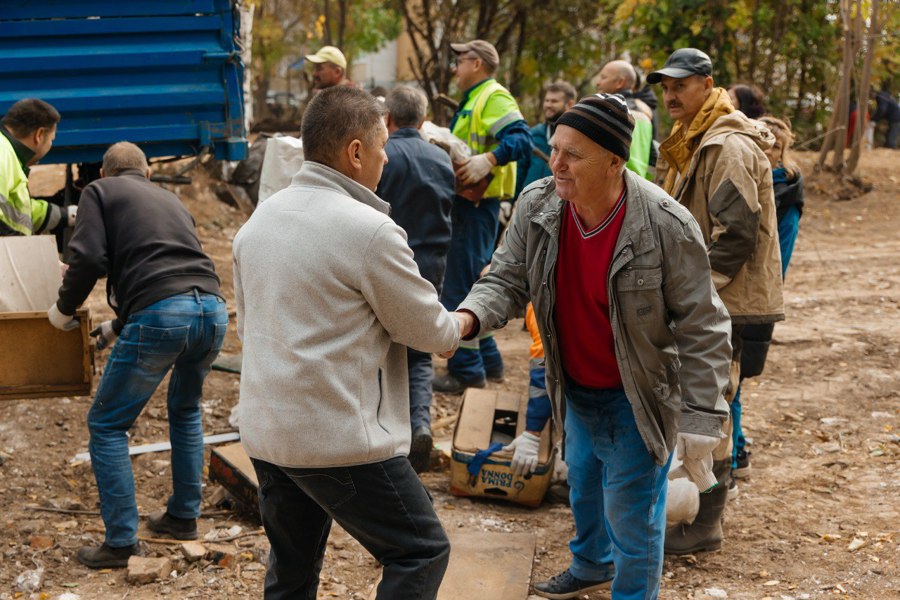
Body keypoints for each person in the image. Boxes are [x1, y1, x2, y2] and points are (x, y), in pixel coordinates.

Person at [455, 93, 732, 600]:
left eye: (572, 154)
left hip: (638, 394)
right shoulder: (539, 206)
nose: (555, 163)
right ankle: (589, 565)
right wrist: (467, 319)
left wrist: (701, 417)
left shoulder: (666, 225)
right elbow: (507, 278)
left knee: (631, 511)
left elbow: (705, 325)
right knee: (582, 486)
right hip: (574, 384)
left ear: (614, 161)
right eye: (555, 148)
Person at [233, 86, 464, 599]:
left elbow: (250, 329)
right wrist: (467, 322)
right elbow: (432, 332)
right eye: (381, 148)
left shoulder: (257, 223)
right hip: (338, 437)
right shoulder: (369, 230)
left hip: (269, 432)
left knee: (291, 572)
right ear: (355, 152)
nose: (385, 160)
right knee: (420, 551)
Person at [47, 142, 227, 568]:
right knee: (185, 410)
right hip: (213, 311)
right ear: (147, 174)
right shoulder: (169, 198)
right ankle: (184, 516)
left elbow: (89, 255)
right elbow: (165, 269)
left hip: (163, 313)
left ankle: (122, 542)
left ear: (105, 175)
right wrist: (112, 328)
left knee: (107, 424)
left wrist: (61, 311)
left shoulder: (100, 192)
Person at [649, 48, 785, 554]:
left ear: (707, 84)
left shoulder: (725, 146)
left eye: (680, 85)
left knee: (712, 410)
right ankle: (700, 517)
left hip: (727, 303)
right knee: (708, 405)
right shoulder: (697, 140)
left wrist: (689, 296)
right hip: (715, 300)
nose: (670, 96)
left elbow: (734, 237)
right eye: (665, 88)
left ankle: (705, 524)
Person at [433, 39, 532, 394]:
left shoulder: (493, 96)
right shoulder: (475, 99)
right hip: (473, 206)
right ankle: (490, 363)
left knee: (458, 290)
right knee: (471, 285)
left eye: (459, 61)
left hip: (478, 207)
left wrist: (488, 160)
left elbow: (520, 139)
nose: (455, 68)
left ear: (476, 63)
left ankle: (467, 372)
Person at [377, 85, 456, 473]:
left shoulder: (382, 157)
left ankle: (390, 432)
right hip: (432, 264)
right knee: (420, 350)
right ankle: (420, 424)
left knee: (383, 345)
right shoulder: (441, 159)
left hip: (391, 263)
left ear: (387, 119)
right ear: (424, 121)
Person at [730, 115, 804, 484]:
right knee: (727, 378)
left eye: (774, 145)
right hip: (730, 291)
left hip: (756, 296)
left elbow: (780, 255)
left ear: (783, 150)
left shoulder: (787, 192)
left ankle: (734, 452)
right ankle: (736, 445)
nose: (766, 150)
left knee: (735, 376)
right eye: (761, 142)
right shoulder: (737, 177)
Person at [1, 98, 75, 236]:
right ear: (39, 135)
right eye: (51, 140)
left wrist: (66, 215)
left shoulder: (8, 153)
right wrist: (18, 246)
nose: (50, 145)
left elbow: (16, 212)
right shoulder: (2, 153)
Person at [595, 60, 657, 179]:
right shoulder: (645, 113)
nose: (598, 82)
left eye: (603, 77)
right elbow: (652, 158)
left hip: (613, 186)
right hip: (639, 185)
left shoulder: (609, 110)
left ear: (620, 82)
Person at [515, 81, 577, 196]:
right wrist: (509, 201)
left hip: (558, 205)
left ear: (570, 104)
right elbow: (520, 169)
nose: (548, 105)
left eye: (554, 101)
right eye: (546, 100)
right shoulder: (533, 133)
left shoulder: (577, 138)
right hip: (526, 201)